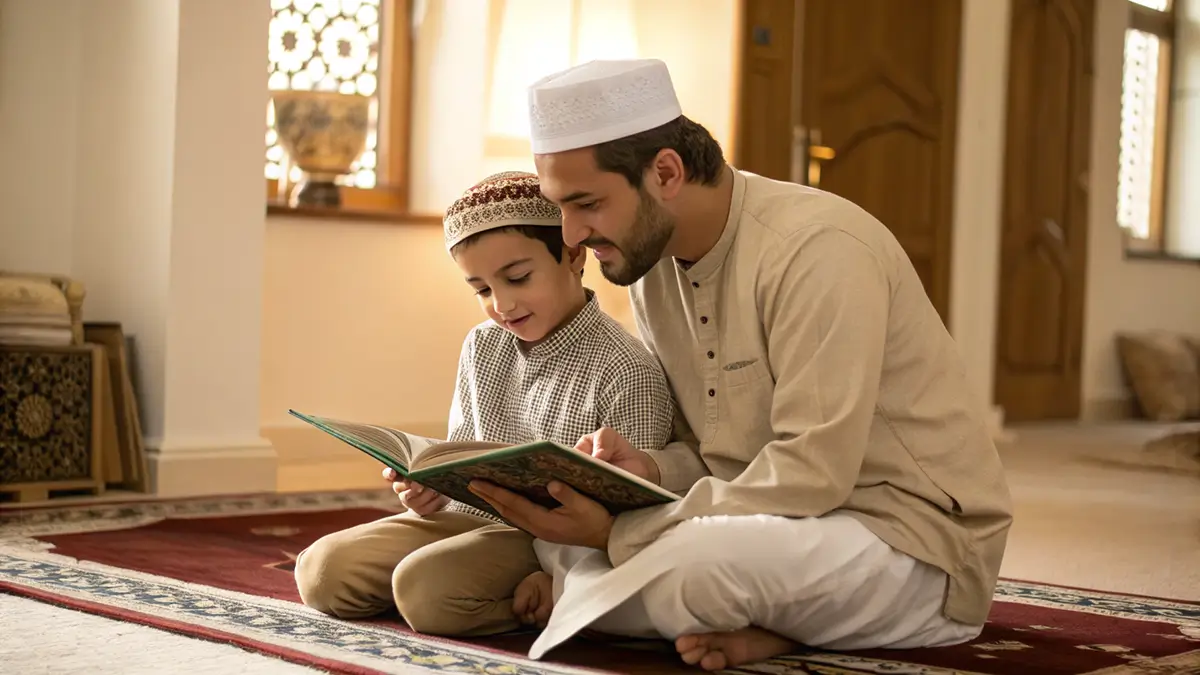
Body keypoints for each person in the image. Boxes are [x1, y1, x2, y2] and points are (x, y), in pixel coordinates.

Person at [467, 59, 1014, 670]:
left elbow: (813, 474)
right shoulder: (652, 269)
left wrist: (618, 535)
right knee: (568, 545)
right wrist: (645, 466)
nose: (570, 234)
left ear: (666, 172)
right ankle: (775, 623)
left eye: (587, 203)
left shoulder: (815, 251)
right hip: (764, 524)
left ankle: (703, 605)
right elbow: (713, 450)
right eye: (559, 207)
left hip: (903, 536)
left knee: (690, 566)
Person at [293, 170, 676, 637]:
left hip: (548, 541)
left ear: (572, 255)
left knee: (424, 589)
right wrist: (426, 492)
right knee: (321, 571)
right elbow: (459, 456)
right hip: (465, 522)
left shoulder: (626, 368)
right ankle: (469, 593)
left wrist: (563, 570)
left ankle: (562, 597)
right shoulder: (482, 346)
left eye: (517, 278)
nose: (502, 303)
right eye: (481, 289)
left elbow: (634, 518)